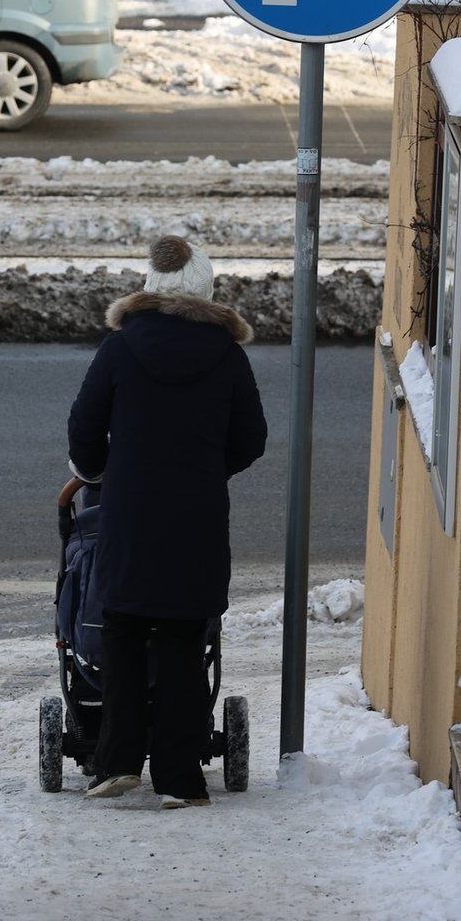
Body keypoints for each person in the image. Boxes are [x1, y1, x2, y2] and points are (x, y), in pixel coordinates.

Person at [68, 234, 267, 808]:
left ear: (151, 288)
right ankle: (180, 778)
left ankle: (117, 763)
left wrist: (102, 469)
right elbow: (250, 439)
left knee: (123, 631)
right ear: (206, 290)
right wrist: (208, 470)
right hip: (197, 515)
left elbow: (84, 426)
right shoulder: (228, 356)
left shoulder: (120, 347)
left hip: (128, 511)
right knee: (183, 638)